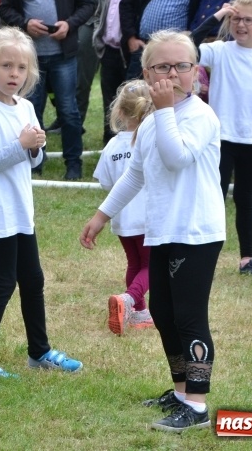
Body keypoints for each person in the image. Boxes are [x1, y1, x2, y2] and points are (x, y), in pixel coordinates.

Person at [80, 30, 224, 432]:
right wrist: (101, 215)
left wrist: (162, 112)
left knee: (189, 316)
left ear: (195, 71)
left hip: (195, 232)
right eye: (163, 66)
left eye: (182, 65)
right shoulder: (149, 123)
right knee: (162, 311)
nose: (173, 74)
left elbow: (177, 158)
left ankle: (196, 405)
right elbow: (135, 174)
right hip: (161, 231)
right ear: (146, 73)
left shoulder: (200, 116)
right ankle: (179, 391)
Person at [0, 26, 83, 379]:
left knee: (33, 279)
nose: (14, 74)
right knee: (2, 284)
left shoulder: (25, 106)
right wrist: (20, 146)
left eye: (21, 68)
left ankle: (39, 352)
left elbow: (33, 161)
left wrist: (35, 148)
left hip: (18, 209)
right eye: (6, 66)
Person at [192, 0, 252, 279]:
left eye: (248, 20)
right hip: (222, 138)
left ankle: (247, 258)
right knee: (214, 196)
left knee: (245, 199)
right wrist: (218, 14)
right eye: (236, 18)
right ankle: (203, 254)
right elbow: (189, 45)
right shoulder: (220, 50)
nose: (241, 25)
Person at [0, 0, 94, 180]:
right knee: (32, 111)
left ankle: (73, 163)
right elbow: (4, 7)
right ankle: (35, 161)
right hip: (29, 57)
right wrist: (25, 23)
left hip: (63, 53)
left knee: (69, 111)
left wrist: (70, 24)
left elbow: (88, 3)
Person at [93, 80, 155, 335]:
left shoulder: (113, 146)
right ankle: (128, 300)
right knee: (153, 266)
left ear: (119, 112)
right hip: (149, 218)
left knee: (134, 263)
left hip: (121, 218)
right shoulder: (151, 141)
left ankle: (140, 313)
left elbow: (106, 182)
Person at [72, 0, 120, 130]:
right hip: (88, 24)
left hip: (115, 28)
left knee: (114, 84)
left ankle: (113, 129)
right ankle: (76, 124)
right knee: (81, 80)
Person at [93, 0, 138, 143]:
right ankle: (110, 144)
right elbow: (99, 12)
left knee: (132, 100)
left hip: (129, 51)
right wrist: (98, 37)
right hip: (108, 50)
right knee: (109, 100)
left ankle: (131, 143)